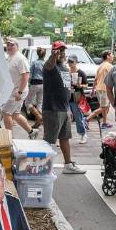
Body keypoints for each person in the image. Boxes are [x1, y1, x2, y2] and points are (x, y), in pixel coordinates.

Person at [42, 41, 83, 175]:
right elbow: (49, 64)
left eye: (63, 51)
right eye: (58, 50)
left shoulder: (65, 68)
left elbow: (66, 89)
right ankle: (43, 167)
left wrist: (69, 109)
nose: (61, 53)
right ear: (53, 52)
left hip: (64, 108)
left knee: (65, 138)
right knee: (49, 140)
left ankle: (68, 164)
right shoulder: (50, 67)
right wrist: (53, 56)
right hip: (52, 109)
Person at [0, 39, 35, 137]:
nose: (9, 47)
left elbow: (25, 75)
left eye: (12, 45)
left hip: (18, 91)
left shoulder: (20, 58)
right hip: (12, 91)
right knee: (16, 114)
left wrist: (19, 92)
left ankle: (9, 139)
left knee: (6, 113)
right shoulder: (10, 57)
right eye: (8, 45)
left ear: (17, 46)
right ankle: (32, 132)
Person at [90, 50, 115, 131]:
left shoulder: (100, 65)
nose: (113, 56)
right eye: (112, 55)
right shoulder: (109, 66)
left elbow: (95, 79)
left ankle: (104, 122)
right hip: (104, 89)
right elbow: (114, 78)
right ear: (107, 56)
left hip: (99, 89)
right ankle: (87, 119)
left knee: (106, 107)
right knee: (104, 108)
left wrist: (93, 89)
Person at [67, 57, 88, 143]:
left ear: (76, 62)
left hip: (77, 96)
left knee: (78, 117)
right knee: (65, 118)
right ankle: (64, 137)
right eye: (69, 61)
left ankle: (83, 134)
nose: (70, 63)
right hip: (67, 96)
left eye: (71, 62)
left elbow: (86, 85)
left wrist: (80, 86)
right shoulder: (67, 72)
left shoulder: (81, 72)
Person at [25, 47, 46, 129]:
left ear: (37, 54)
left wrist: (28, 84)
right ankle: (38, 120)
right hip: (43, 84)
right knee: (40, 103)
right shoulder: (46, 63)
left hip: (35, 83)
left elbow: (30, 75)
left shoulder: (34, 63)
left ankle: (39, 116)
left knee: (27, 103)